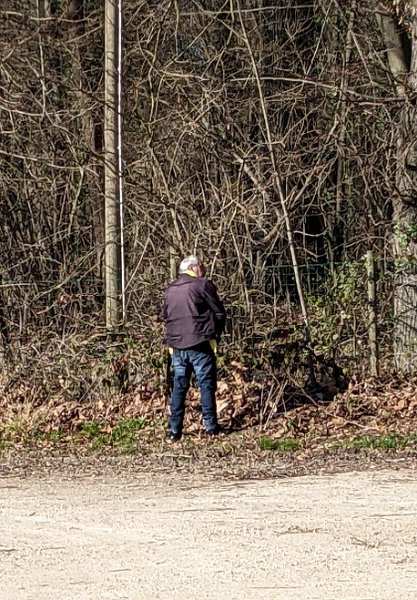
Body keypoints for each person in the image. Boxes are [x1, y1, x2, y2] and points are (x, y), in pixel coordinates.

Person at [163, 255, 226, 441]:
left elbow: (165, 316)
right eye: (202, 266)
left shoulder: (170, 289)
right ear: (194, 267)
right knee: (206, 385)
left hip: (176, 346)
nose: (204, 270)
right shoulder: (202, 285)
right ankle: (211, 427)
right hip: (200, 343)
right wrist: (215, 334)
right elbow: (219, 312)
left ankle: (174, 431)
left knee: (179, 387)